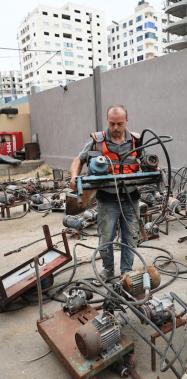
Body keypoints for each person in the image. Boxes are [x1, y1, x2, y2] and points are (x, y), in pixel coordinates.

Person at [70, 104, 141, 279]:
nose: (115, 128)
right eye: (112, 124)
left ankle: (127, 272)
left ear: (126, 121)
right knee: (106, 237)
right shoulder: (98, 140)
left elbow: (147, 162)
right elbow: (78, 160)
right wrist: (74, 176)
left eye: (120, 124)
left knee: (130, 237)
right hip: (107, 199)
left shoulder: (135, 140)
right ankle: (108, 269)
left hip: (131, 198)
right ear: (107, 122)